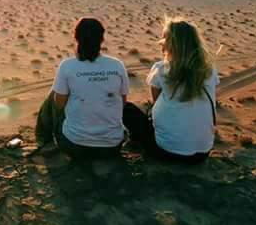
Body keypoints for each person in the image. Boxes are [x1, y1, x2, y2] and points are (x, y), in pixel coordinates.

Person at [122, 17, 219, 163]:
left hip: (166, 151)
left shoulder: (162, 69)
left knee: (128, 110)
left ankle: (136, 142)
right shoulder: (209, 70)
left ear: (169, 43)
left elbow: (156, 102)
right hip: (202, 153)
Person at [35, 18, 129, 159]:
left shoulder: (67, 66)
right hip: (112, 147)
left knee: (54, 95)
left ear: (76, 37)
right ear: (102, 39)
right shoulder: (117, 65)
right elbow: (123, 102)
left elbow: (59, 104)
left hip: (74, 146)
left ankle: (44, 138)